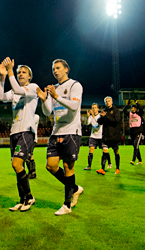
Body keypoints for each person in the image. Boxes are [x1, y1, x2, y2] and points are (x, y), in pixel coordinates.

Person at [36, 59, 84, 215]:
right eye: (53, 69)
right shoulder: (53, 88)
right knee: (50, 166)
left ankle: (67, 205)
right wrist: (44, 100)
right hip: (56, 132)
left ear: (66, 69)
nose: (55, 71)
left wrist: (56, 96)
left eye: (58, 68)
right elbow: (47, 112)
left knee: (68, 167)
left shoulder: (74, 85)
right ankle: (75, 188)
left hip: (71, 131)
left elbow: (75, 106)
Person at [0, 57, 37, 211]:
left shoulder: (32, 87)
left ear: (29, 77)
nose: (20, 74)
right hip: (14, 132)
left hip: (26, 131)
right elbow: (0, 97)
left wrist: (10, 71)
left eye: (23, 72)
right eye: (19, 72)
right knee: (17, 167)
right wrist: (2, 77)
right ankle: (22, 199)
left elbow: (19, 90)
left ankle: (29, 197)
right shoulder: (15, 91)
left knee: (17, 164)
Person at [96, 96, 121, 175]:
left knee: (116, 152)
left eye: (109, 101)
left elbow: (115, 121)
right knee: (104, 152)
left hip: (114, 135)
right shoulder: (104, 111)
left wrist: (106, 116)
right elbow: (99, 122)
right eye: (106, 101)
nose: (107, 102)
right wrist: (101, 117)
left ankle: (117, 168)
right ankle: (102, 168)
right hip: (106, 135)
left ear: (112, 102)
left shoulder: (116, 111)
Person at [84, 103, 108, 170]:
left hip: (100, 136)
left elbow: (98, 125)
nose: (94, 109)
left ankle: (109, 162)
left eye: (95, 107)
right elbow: (86, 123)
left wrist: (93, 116)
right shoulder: (91, 117)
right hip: (93, 136)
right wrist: (88, 116)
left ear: (98, 109)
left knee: (105, 151)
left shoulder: (100, 116)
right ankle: (89, 166)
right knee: (91, 150)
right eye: (93, 107)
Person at [123, 99, 145, 165]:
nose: (133, 109)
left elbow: (141, 109)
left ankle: (133, 160)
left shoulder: (139, 113)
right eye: (132, 108)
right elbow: (124, 110)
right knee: (136, 146)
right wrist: (127, 105)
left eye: (134, 108)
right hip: (132, 132)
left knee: (136, 145)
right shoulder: (130, 114)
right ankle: (140, 160)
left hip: (138, 131)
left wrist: (137, 103)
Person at [26, 114, 39, 179]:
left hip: (32, 139)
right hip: (27, 139)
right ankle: (32, 172)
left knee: (28, 155)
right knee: (30, 155)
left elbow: (30, 123)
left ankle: (32, 172)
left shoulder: (36, 116)